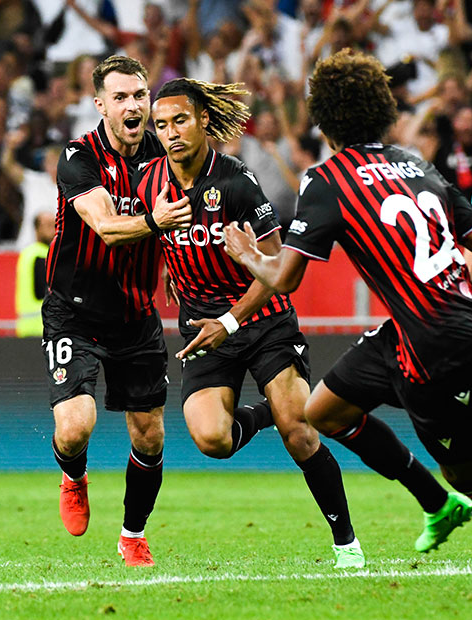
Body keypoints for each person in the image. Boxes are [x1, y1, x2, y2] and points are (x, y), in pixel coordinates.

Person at [224, 50, 472, 589]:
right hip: (435, 326)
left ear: (325, 120)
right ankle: (435, 503)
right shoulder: (418, 166)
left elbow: (283, 279)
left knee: (468, 474)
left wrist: (245, 253)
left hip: (433, 344)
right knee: (321, 409)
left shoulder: (327, 178)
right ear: (382, 110)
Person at [137, 77, 364, 569]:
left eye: (180, 120)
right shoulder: (148, 181)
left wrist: (231, 320)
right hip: (203, 330)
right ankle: (263, 412)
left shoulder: (237, 181)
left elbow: (280, 267)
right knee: (212, 440)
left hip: (260, 320)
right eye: (162, 125)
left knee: (300, 431)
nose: (171, 132)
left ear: (202, 121)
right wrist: (175, 279)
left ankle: (347, 544)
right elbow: (152, 239)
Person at [44, 56, 191, 567]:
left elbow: (188, 217)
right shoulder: (77, 156)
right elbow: (107, 226)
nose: (133, 105)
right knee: (75, 424)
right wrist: (156, 221)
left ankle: (132, 535)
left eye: (140, 95)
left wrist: (176, 264)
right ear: (100, 103)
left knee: (150, 436)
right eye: (122, 97)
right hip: (74, 311)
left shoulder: (164, 154)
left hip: (136, 314)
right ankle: (73, 474)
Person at [16, 212, 55, 337]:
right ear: (37, 229)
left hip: (28, 327)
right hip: (41, 327)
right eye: (48, 226)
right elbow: (44, 291)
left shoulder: (28, 252)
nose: (54, 230)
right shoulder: (41, 255)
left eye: (55, 225)